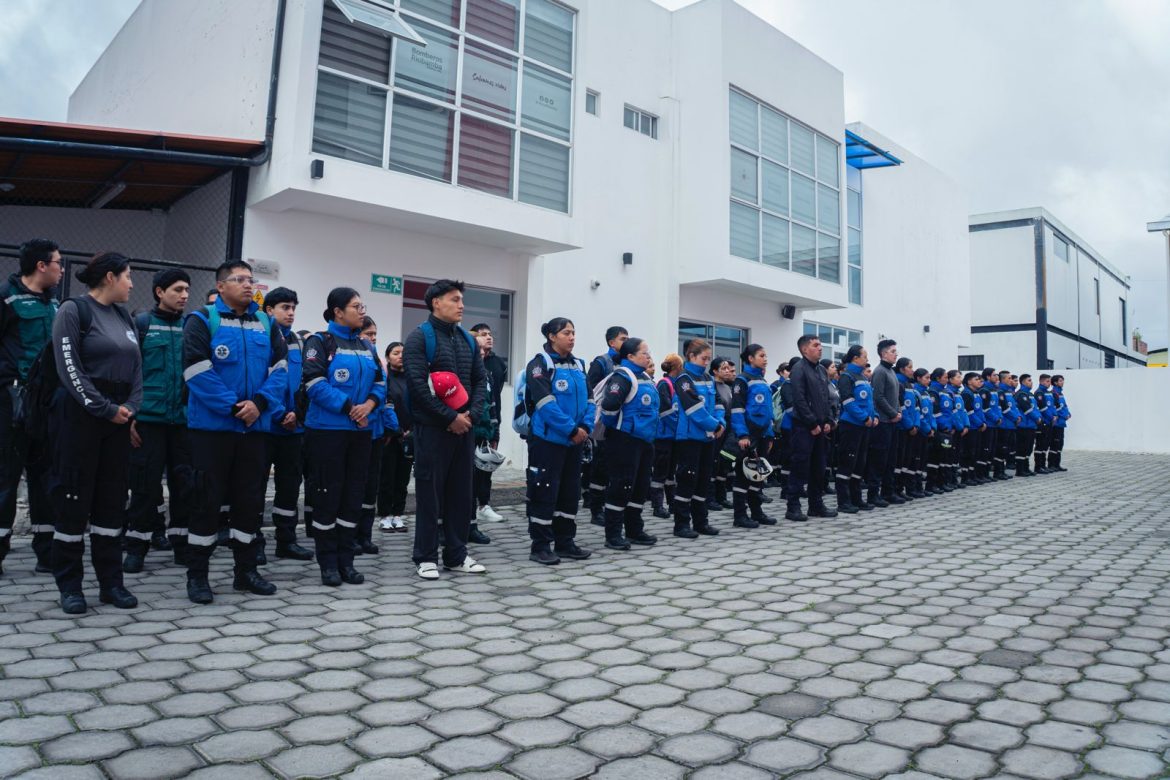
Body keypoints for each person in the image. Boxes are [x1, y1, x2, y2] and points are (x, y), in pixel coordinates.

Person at [182, 260, 288, 604]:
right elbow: (196, 370)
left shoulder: (265, 322)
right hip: (213, 430)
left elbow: (281, 369)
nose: (248, 285)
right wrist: (233, 407)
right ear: (221, 286)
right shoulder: (201, 320)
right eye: (239, 280)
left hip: (255, 429)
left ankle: (245, 572)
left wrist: (258, 403)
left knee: (249, 502)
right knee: (205, 502)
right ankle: (197, 576)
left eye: (250, 280)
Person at [48, 252, 142, 614]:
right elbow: (68, 368)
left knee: (111, 501)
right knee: (74, 500)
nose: (132, 284)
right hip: (81, 418)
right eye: (128, 276)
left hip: (119, 418)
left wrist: (132, 407)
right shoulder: (73, 311)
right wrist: (104, 408)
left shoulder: (123, 316)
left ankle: (111, 583)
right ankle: (70, 586)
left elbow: (137, 369)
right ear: (108, 277)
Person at [403, 279, 487, 580]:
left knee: (461, 494)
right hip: (432, 430)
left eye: (461, 300)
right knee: (430, 494)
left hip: (465, 430)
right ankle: (425, 557)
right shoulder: (418, 338)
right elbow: (416, 385)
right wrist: (449, 417)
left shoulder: (466, 339)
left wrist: (470, 416)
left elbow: (480, 382)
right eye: (455, 299)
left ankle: (456, 554)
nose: (461, 305)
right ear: (436, 302)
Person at [302, 291, 386, 586]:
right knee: (328, 496)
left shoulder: (365, 344)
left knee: (353, 496)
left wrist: (370, 406)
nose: (362, 311)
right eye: (356, 306)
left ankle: (346, 561)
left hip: (361, 432)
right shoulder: (320, 342)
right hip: (327, 432)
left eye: (363, 306)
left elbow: (380, 381)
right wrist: (351, 407)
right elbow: (313, 383)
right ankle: (327, 563)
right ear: (338, 311)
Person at [124, 268, 195, 573]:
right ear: (159, 292)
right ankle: (137, 547)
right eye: (178, 289)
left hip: (183, 422)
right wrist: (130, 417)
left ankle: (181, 546)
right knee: (144, 487)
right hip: (147, 421)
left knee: (185, 486)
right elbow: (128, 374)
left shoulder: (192, 327)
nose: (184, 296)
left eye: (187, 290)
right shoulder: (141, 324)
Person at [0, 238, 62, 575]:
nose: (62, 269)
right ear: (41, 265)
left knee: (46, 479)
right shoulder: (6, 298)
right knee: (5, 478)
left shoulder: (56, 305)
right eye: (58, 262)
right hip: (11, 403)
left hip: (48, 405)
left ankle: (47, 552)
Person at [523, 317, 593, 565]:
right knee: (544, 491)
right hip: (548, 441)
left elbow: (591, 401)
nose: (572, 337)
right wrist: (571, 429)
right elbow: (544, 403)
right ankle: (540, 546)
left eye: (574, 332)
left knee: (569, 492)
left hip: (574, 441)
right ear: (552, 336)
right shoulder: (540, 365)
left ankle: (565, 542)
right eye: (566, 333)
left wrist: (585, 426)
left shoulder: (579, 365)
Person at [254, 287, 314, 564]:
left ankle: (286, 541)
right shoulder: (260, 339)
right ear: (269, 310)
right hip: (266, 426)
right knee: (254, 487)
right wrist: (279, 414)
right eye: (284, 308)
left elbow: (304, 384)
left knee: (289, 486)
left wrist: (297, 415)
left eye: (293, 308)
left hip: (294, 429)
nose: (290, 313)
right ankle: (253, 541)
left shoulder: (299, 344)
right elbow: (262, 382)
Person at [598, 337, 662, 550]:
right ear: (630, 356)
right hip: (624, 440)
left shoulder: (644, 376)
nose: (649, 356)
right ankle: (613, 534)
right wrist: (620, 428)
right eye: (644, 353)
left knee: (640, 486)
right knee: (621, 485)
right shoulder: (623, 376)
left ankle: (635, 530)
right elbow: (609, 407)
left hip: (645, 441)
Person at [354, 315, 398, 556]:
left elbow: (385, 397)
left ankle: (365, 535)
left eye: (374, 335)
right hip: (356, 430)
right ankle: (350, 535)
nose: (372, 339)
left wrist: (390, 428)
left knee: (371, 487)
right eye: (368, 334)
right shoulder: (352, 357)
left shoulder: (377, 361)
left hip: (377, 432)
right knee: (355, 486)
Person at [672, 339, 724, 539]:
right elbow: (693, 408)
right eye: (704, 358)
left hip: (708, 437)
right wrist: (715, 425)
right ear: (691, 356)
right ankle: (681, 524)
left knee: (703, 479)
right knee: (687, 479)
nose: (706, 362)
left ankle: (701, 521)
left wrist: (721, 422)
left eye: (709, 358)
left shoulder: (708, 377)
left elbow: (718, 403)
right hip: (690, 437)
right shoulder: (683, 379)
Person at [786, 335, 837, 522]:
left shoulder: (822, 370)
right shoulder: (799, 369)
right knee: (800, 467)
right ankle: (793, 507)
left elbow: (826, 398)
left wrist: (828, 421)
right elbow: (798, 399)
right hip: (804, 428)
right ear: (804, 349)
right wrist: (812, 423)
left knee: (819, 467)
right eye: (816, 345)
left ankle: (816, 505)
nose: (820, 348)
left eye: (821, 345)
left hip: (821, 428)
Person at [727, 344, 776, 529]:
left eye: (766, 355)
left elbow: (767, 411)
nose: (765, 359)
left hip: (763, 435)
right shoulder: (742, 380)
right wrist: (742, 434)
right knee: (743, 476)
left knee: (758, 476)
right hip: (749, 435)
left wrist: (770, 435)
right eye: (761, 355)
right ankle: (740, 516)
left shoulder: (762, 381)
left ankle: (757, 512)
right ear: (750, 358)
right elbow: (737, 410)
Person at [584, 326, 628, 526]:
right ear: (611, 342)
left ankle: (613, 505)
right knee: (599, 467)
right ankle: (596, 509)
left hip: (621, 424)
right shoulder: (601, 362)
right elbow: (592, 391)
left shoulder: (627, 363)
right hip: (603, 422)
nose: (625, 342)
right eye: (622, 338)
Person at [469, 323, 507, 525]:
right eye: (483, 335)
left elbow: (494, 399)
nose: (489, 338)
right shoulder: (465, 366)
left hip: (488, 425)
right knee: (468, 473)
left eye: (490, 334)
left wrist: (495, 429)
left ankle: (484, 505)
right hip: (468, 427)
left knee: (486, 466)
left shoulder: (497, 365)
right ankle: (468, 512)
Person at [377, 341, 412, 532]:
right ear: (388, 356)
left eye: (403, 353)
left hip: (409, 435)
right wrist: (395, 430)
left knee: (403, 478)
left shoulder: (412, 378)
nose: (400, 356)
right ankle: (384, 515)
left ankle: (398, 515)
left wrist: (411, 430)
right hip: (389, 436)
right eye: (396, 353)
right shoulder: (385, 377)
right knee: (386, 477)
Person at [835, 345, 874, 514]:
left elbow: (869, 402)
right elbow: (848, 402)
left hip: (865, 426)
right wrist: (864, 418)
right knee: (847, 462)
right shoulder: (847, 376)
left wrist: (875, 416)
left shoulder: (863, 377)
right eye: (864, 356)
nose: (866, 359)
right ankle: (843, 501)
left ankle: (856, 498)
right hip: (851, 425)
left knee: (860, 463)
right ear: (855, 358)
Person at [865, 339, 901, 508]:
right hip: (884, 423)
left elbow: (895, 396)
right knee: (879, 460)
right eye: (893, 351)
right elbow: (878, 397)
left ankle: (888, 491)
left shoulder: (891, 372)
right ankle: (873, 494)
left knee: (891, 459)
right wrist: (893, 413)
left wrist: (898, 411)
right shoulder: (880, 372)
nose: (896, 354)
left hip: (893, 422)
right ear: (884, 353)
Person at [649, 353, 681, 520]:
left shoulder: (676, 384)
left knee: (671, 472)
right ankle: (657, 505)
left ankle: (672, 503)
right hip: (664, 435)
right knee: (660, 472)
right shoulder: (664, 384)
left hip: (673, 436)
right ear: (677, 367)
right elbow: (666, 411)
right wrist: (678, 427)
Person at [707, 356, 736, 511]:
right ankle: (710, 497)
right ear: (715, 371)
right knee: (713, 462)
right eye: (723, 368)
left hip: (729, 429)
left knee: (724, 463)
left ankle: (721, 496)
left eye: (728, 368)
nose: (727, 371)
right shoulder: (712, 386)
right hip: (718, 428)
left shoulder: (727, 387)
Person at [893, 357, 919, 502]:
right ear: (902, 368)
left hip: (911, 427)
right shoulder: (899, 382)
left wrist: (915, 424)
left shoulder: (909, 384)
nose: (912, 370)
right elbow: (901, 407)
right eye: (910, 367)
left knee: (906, 460)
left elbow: (914, 408)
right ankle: (894, 488)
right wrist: (909, 425)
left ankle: (900, 488)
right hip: (901, 427)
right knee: (898, 460)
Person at [959, 372, 987, 485]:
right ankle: (966, 477)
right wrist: (980, 424)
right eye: (976, 379)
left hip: (978, 427)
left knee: (975, 452)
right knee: (968, 452)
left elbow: (979, 411)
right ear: (969, 381)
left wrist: (983, 422)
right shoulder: (966, 393)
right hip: (971, 427)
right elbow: (970, 412)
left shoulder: (976, 393)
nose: (979, 381)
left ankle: (972, 474)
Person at [911, 368, 935, 498]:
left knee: (922, 460)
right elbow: (920, 414)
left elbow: (930, 414)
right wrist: (927, 428)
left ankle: (920, 486)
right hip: (920, 430)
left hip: (927, 430)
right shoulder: (916, 392)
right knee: (916, 459)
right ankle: (914, 486)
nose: (929, 380)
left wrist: (933, 427)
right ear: (919, 378)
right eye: (926, 378)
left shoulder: (926, 392)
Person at [1014, 373, 1041, 476]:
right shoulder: (1021, 394)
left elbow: (1035, 408)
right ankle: (1020, 470)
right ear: (1023, 382)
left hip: (1031, 425)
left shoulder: (1030, 395)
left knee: (1029, 448)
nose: (1031, 382)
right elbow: (1027, 409)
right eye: (1029, 380)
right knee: (1022, 448)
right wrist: (1036, 418)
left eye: (1031, 380)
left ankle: (1026, 467)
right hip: (1023, 425)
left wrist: (1039, 418)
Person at [998, 371, 1021, 477]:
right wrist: (1015, 417)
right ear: (1003, 379)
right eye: (1009, 378)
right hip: (1005, 424)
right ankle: (999, 471)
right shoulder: (1000, 391)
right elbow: (1005, 408)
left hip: (1011, 424)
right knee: (1002, 448)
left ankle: (1004, 469)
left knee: (1009, 447)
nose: (1011, 380)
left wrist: (1018, 416)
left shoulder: (1008, 392)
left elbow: (1013, 407)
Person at [1033, 373, 1057, 474]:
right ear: (1041, 381)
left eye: (1049, 381)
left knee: (1045, 445)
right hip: (1043, 422)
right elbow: (1043, 408)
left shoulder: (1048, 393)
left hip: (1049, 421)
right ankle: (1038, 466)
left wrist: (1055, 415)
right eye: (1047, 381)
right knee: (1040, 445)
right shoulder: (1039, 393)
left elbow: (1052, 406)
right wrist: (1051, 417)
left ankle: (1043, 465)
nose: (1049, 383)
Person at [1050, 374, 1070, 471]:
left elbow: (1064, 406)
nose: (1062, 382)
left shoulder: (1060, 394)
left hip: (1061, 423)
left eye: (1063, 380)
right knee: (1055, 444)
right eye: (1060, 381)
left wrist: (1069, 414)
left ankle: (1057, 464)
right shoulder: (1053, 394)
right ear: (1055, 382)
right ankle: (1052, 464)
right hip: (1056, 423)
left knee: (1060, 444)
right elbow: (1055, 409)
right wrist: (1063, 415)